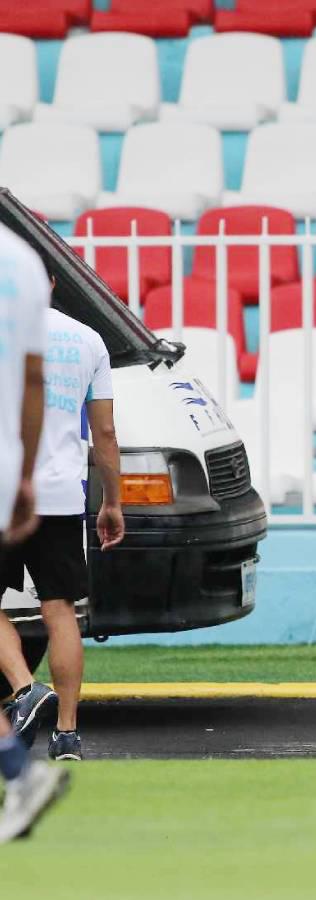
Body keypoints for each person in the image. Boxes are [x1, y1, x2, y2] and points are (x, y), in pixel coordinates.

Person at [0, 267, 124, 763]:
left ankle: (26, 688)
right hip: (62, 494)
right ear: (51, 282)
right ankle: (67, 735)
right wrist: (112, 501)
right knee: (60, 610)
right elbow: (106, 433)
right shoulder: (88, 340)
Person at [0, 223, 70, 842]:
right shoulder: (22, 261)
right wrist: (20, 477)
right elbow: (31, 384)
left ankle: (19, 772)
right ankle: (19, 775)